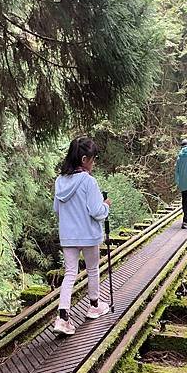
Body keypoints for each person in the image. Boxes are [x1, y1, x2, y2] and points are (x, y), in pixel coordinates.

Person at [53, 137, 111, 336]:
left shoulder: (60, 181)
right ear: (84, 159)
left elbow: (57, 209)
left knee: (70, 274)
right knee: (93, 269)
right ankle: (94, 306)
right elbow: (96, 211)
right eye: (93, 159)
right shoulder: (88, 181)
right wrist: (106, 207)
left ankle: (62, 317)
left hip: (68, 236)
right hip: (88, 235)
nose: (93, 164)